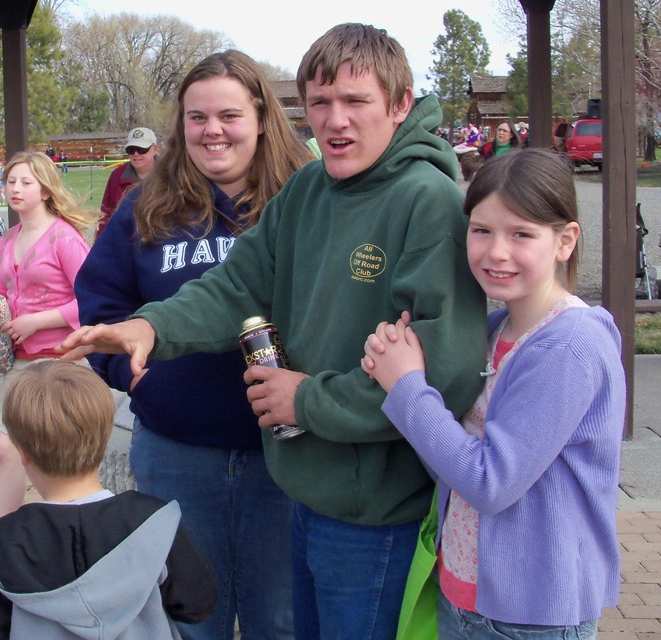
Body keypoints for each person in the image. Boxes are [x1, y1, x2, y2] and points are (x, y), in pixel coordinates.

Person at [62, 23, 486, 640]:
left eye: (355, 101)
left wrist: (305, 401)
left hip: (372, 515)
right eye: (319, 103)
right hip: (304, 493)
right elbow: (237, 287)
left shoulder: (429, 202)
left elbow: (441, 375)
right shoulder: (311, 189)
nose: (335, 121)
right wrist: (151, 327)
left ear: (400, 104)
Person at [75, 49, 312, 640]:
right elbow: (101, 305)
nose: (213, 131)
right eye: (196, 117)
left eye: (229, 115)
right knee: (187, 621)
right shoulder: (144, 206)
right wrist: (132, 375)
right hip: (176, 454)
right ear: (180, 125)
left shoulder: (306, 201)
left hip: (284, 459)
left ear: (261, 117)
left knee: (279, 621)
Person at [361, 148, 625, 640]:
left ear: (565, 240)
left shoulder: (570, 345)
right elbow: (448, 460)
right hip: (463, 591)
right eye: (481, 230)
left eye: (522, 233)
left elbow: (489, 482)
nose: (496, 251)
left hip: (530, 613)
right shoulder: (493, 330)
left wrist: (407, 386)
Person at [0, 360, 219, 640]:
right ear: (104, 436)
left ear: (22, 452)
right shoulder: (153, 524)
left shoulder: (3, 542)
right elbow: (198, 603)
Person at [0, 150, 97, 518]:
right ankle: (4, 531)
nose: (15, 189)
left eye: (25, 182)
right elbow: (3, 289)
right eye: (10, 181)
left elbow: (93, 299)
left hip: (63, 358)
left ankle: (72, 523)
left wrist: (37, 320)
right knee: (5, 447)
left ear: (45, 190)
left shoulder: (64, 238)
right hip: (21, 360)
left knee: (61, 450)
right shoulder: (8, 239)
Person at [97, 127, 159, 238]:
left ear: (154, 149)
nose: (136, 154)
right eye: (131, 149)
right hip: (125, 245)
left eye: (142, 149)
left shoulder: (171, 174)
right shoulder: (117, 176)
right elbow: (105, 216)